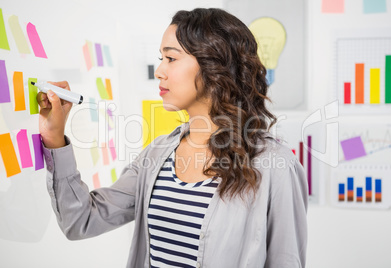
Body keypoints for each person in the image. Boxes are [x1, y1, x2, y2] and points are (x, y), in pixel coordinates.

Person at [38, 8, 308, 268]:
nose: (159, 71)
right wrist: (53, 137)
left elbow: (286, 261)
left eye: (171, 58)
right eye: (161, 58)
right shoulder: (156, 155)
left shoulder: (275, 166)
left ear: (214, 65)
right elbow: (81, 220)